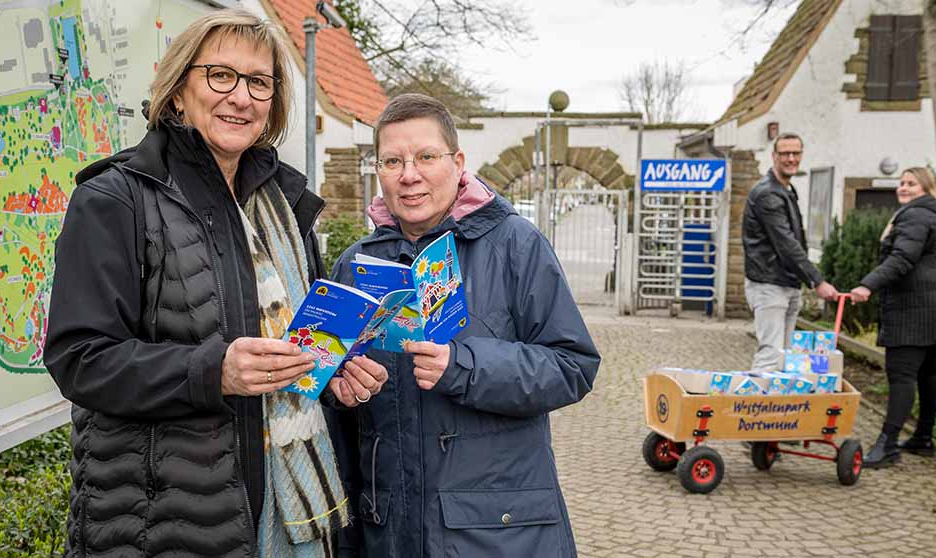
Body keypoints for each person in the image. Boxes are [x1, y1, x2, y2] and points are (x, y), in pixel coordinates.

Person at [45, 9, 385, 557]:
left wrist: (334, 375)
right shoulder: (115, 200)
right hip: (161, 523)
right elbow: (79, 359)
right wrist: (214, 370)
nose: (241, 97)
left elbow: (301, 340)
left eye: (258, 82)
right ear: (179, 90)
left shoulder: (287, 206)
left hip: (287, 513)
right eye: (220, 75)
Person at [329, 93, 601, 557]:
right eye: (393, 160)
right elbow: (331, 400)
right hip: (389, 529)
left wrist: (464, 366)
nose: (409, 174)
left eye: (425, 157)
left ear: (457, 162)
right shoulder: (356, 263)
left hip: (497, 532)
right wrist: (337, 382)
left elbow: (572, 365)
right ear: (379, 171)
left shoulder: (516, 244)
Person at [850, 167, 936, 468]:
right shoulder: (934, 215)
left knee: (901, 375)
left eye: (912, 183)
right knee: (929, 372)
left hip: (914, 310)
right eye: (901, 183)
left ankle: (887, 445)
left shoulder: (915, 216)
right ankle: (922, 438)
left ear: (927, 188)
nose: (904, 188)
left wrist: (866, 285)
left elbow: (902, 258)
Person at [742, 132, 839, 371]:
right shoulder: (768, 194)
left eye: (796, 153)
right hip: (769, 283)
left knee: (785, 359)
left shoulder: (786, 190)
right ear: (774, 156)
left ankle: (777, 407)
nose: (791, 158)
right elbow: (786, 243)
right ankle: (755, 405)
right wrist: (817, 280)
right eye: (785, 153)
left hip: (787, 282)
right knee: (771, 355)